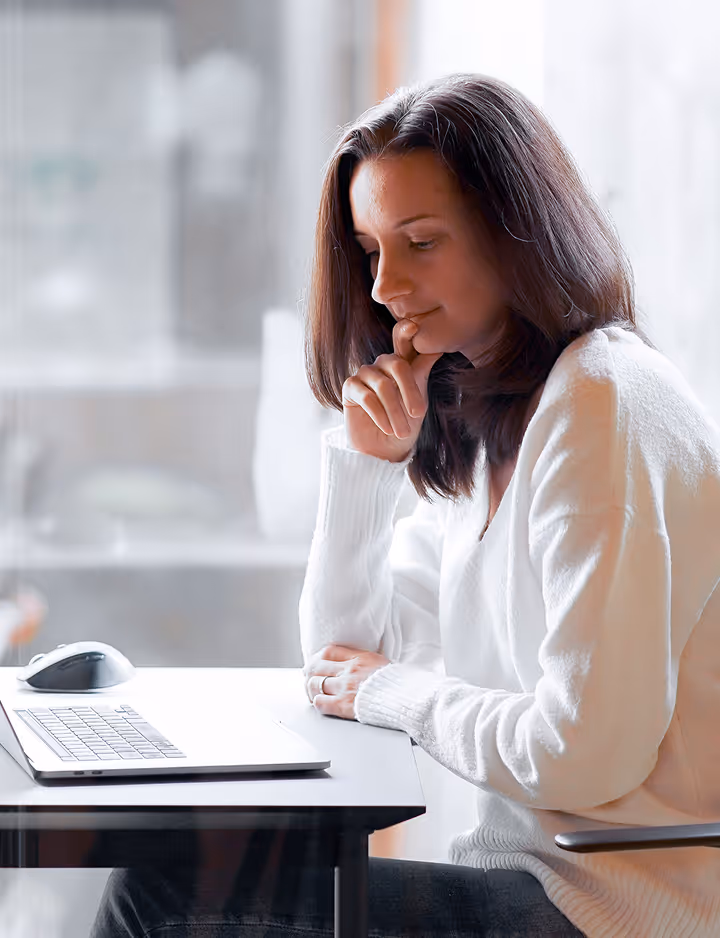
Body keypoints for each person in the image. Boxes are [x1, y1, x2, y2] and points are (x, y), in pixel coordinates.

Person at [92, 74, 720, 938]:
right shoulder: (492, 420)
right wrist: (366, 465)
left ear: (518, 238)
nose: (385, 285)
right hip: (538, 883)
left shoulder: (604, 405)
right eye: (369, 247)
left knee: (163, 896)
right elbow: (339, 660)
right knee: (172, 882)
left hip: (621, 912)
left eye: (421, 242)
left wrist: (393, 692)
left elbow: (581, 755)